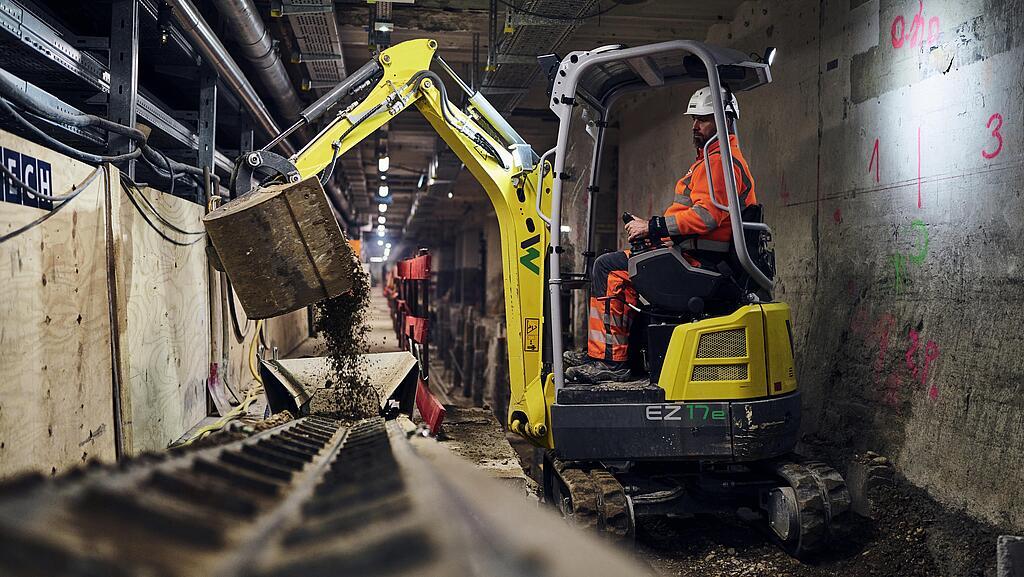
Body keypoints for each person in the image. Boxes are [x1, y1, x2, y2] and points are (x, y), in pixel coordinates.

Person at [565, 86, 758, 384]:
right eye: (694, 119)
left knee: (608, 267)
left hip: (704, 262)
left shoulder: (719, 162)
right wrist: (655, 233)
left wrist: (652, 228)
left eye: (703, 119)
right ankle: (604, 353)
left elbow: (708, 217)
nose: (695, 126)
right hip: (697, 254)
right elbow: (689, 215)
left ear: (725, 120)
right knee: (622, 264)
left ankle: (610, 362)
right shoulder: (711, 160)